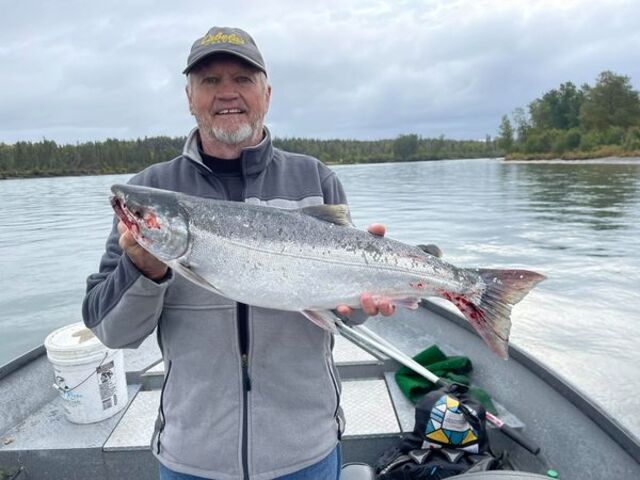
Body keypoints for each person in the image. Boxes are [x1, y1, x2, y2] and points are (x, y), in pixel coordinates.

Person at [82, 26, 395, 480]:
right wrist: (143, 269)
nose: (227, 93)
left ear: (266, 93)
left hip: (306, 450)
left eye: (242, 79)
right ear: (189, 97)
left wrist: (365, 303)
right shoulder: (150, 191)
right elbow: (112, 332)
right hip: (192, 456)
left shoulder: (314, 179)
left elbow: (344, 309)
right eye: (210, 81)